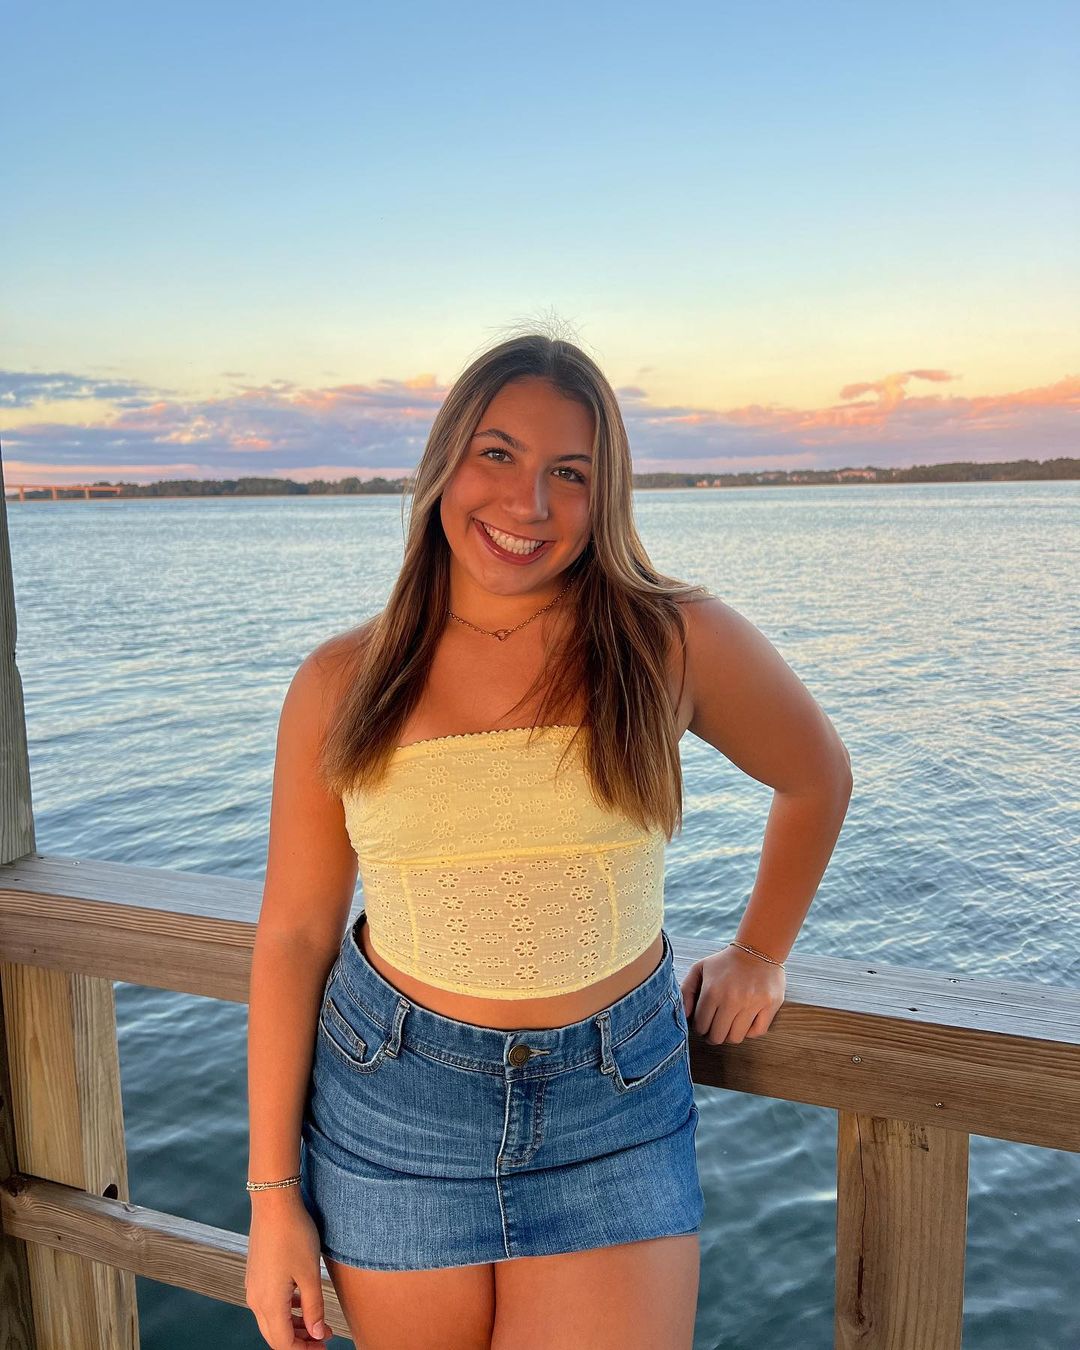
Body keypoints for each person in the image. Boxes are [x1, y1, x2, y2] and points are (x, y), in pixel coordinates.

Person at [244, 333, 853, 1350]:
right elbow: (296, 935)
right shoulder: (342, 681)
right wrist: (273, 1200)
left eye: (570, 472)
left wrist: (760, 952)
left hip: (612, 1105)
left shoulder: (669, 639)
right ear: (445, 462)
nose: (527, 503)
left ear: (605, 495)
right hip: (394, 1107)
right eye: (498, 454)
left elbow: (816, 775)